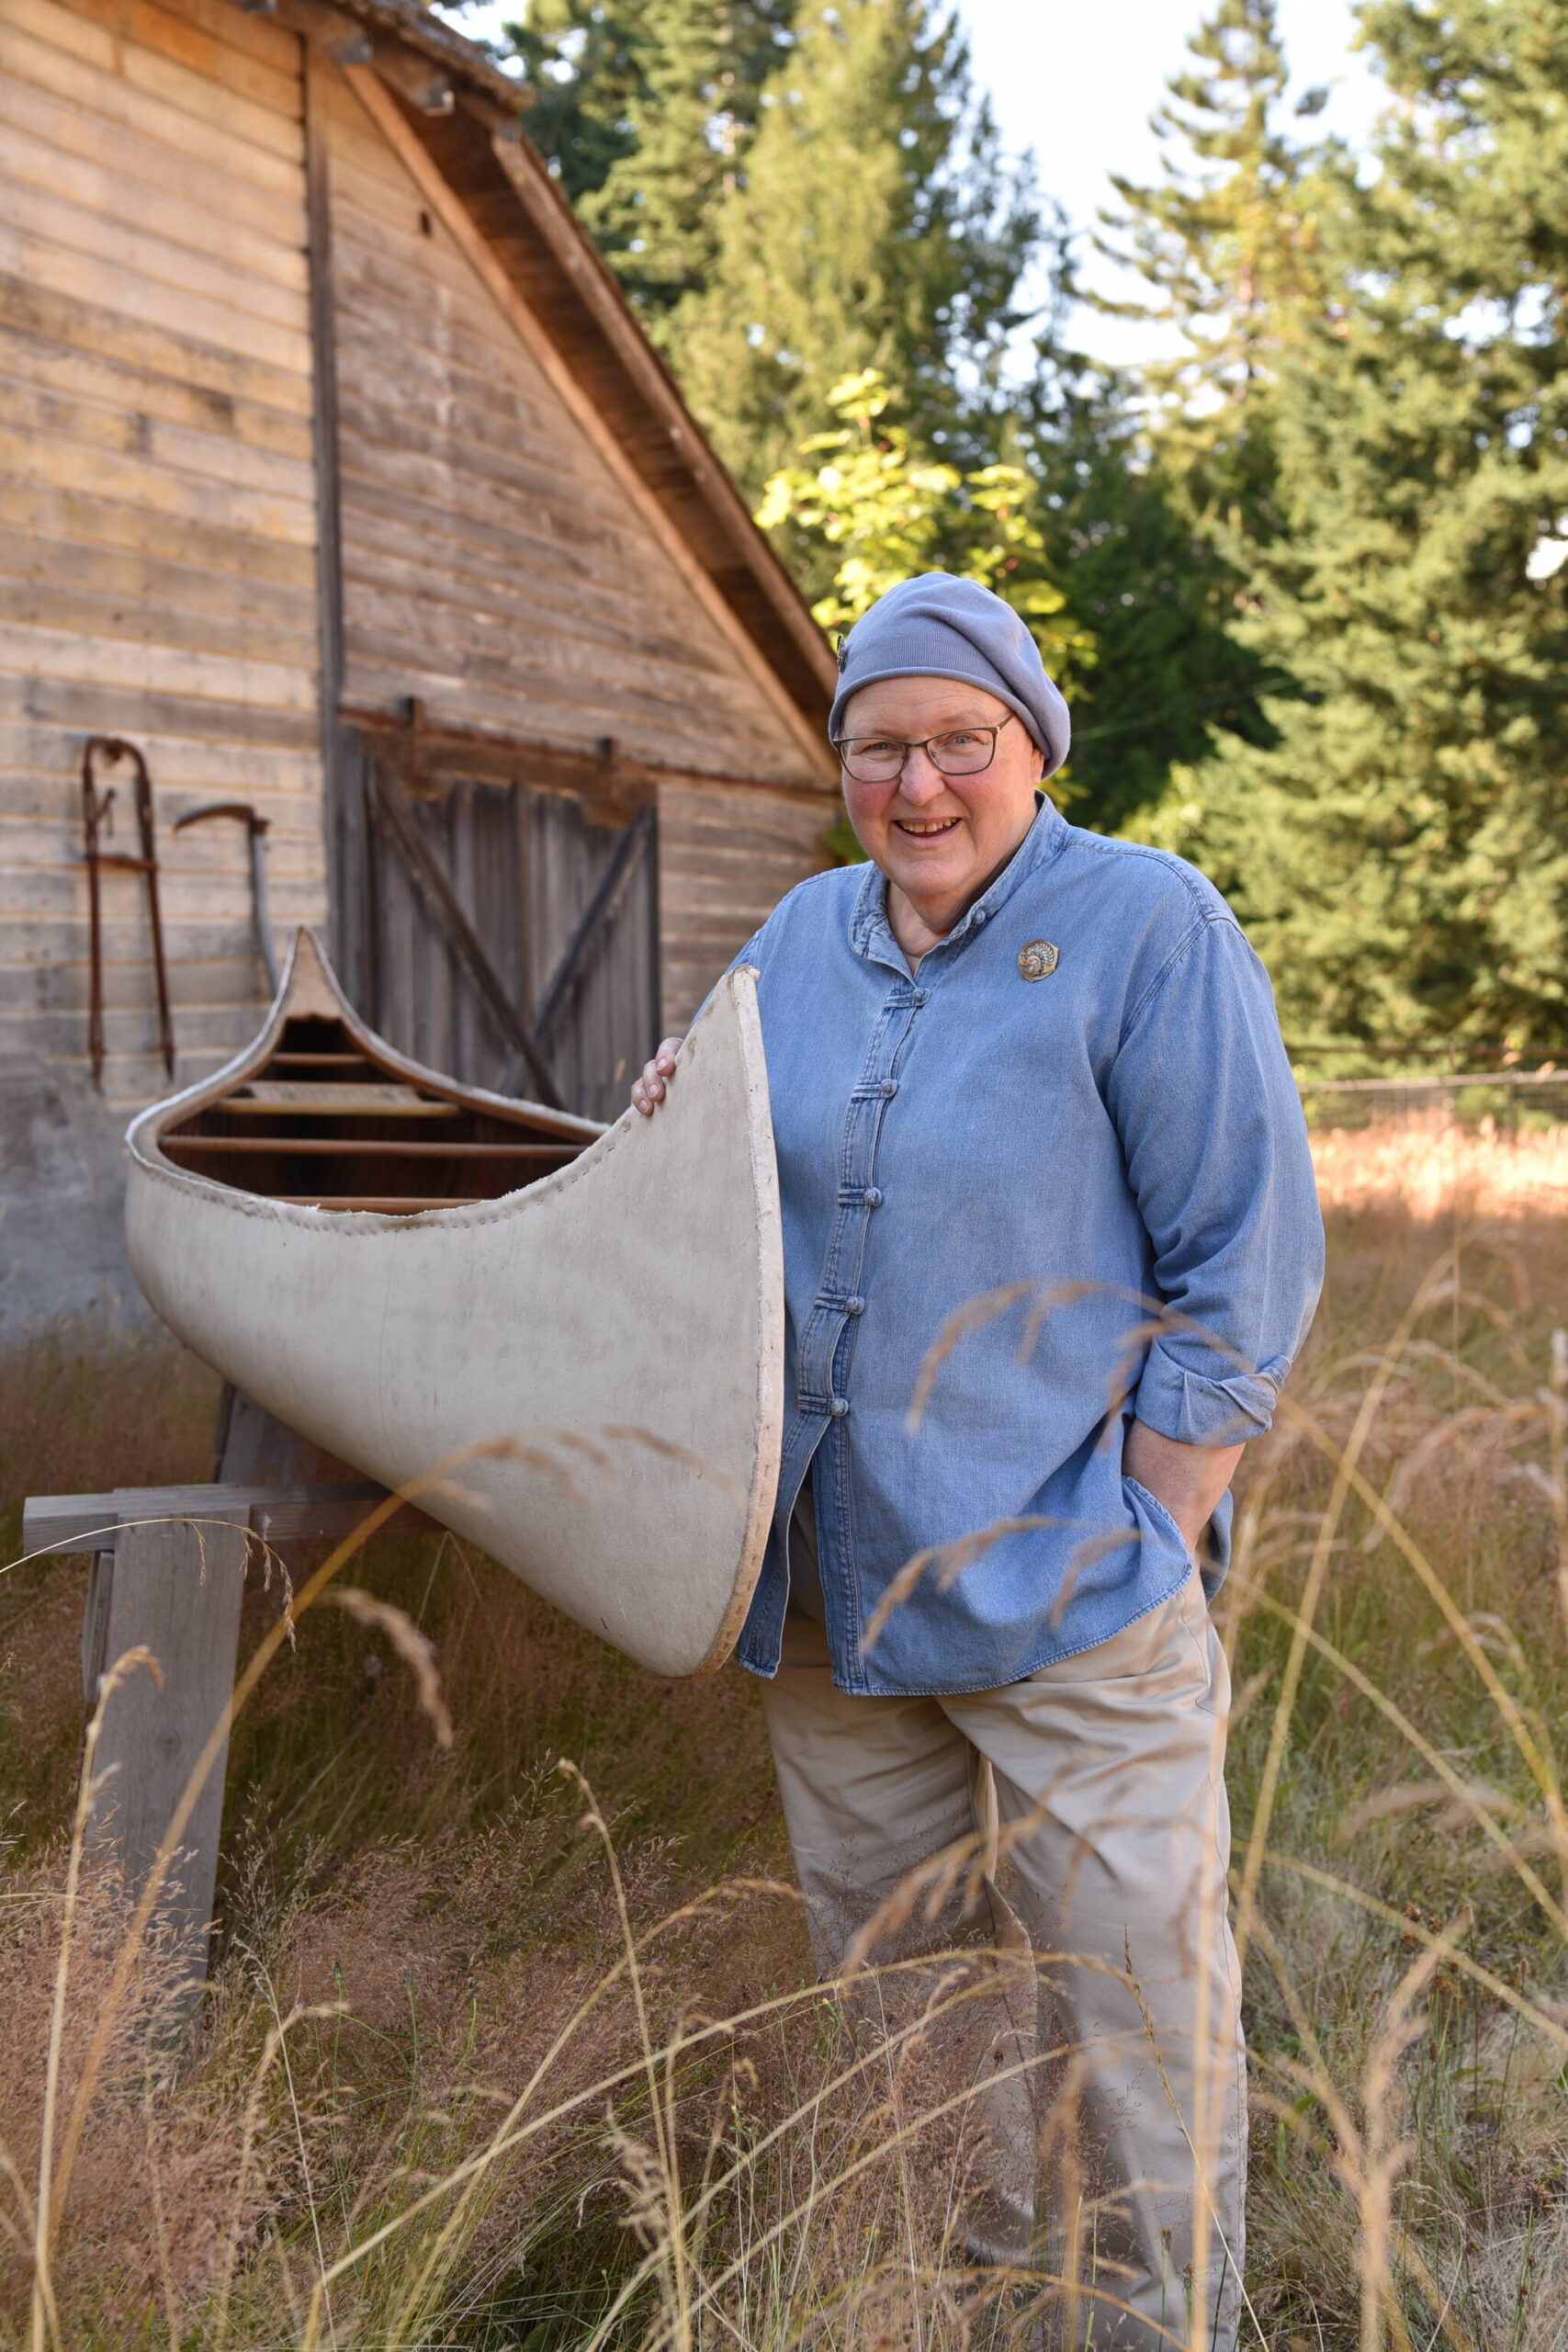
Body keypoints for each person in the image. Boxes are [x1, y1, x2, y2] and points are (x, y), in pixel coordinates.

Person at [632, 573, 1323, 2347]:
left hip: (1074, 1592)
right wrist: (666, 1111)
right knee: (915, 2023)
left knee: (1139, 2020)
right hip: (834, 1610)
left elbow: (1242, 1265)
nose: (919, 786)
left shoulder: (1145, 924)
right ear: (842, 764)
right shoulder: (796, 935)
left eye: (959, 743)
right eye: (881, 750)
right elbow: (702, 1153)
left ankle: (1155, 2332)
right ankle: (968, 2313)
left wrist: (1147, 1532)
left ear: (1033, 746)